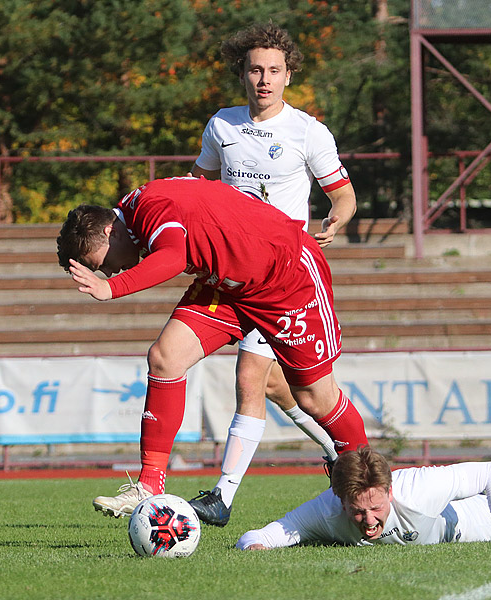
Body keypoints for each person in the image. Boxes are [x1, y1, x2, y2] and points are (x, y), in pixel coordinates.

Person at [56, 176, 369, 518]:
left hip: (287, 277)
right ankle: (149, 484)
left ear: (107, 232)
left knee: (314, 397)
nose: (111, 269)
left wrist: (112, 287)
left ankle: (369, 487)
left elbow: (174, 256)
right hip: (229, 285)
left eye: (101, 264)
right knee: (165, 358)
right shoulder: (138, 213)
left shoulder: (149, 206)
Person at [187, 23, 358, 526]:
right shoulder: (222, 125)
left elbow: (342, 193)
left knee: (249, 377)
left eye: (274, 71)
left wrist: (337, 217)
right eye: (256, 69)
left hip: (282, 276)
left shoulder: (308, 130)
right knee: (279, 389)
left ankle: (222, 497)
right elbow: (201, 185)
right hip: (231, 273)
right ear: (242, 74)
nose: (264, 79)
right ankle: (335, 450)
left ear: (288, 76)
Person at [236, 446, 491, 550]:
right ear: (341, 500)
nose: (370, 521)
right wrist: (253, 548)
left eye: (376, 507)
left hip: (453, 524)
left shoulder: (421, 487)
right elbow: (259, 536)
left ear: (390, 491)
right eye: (358, 513)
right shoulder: (325, 510)